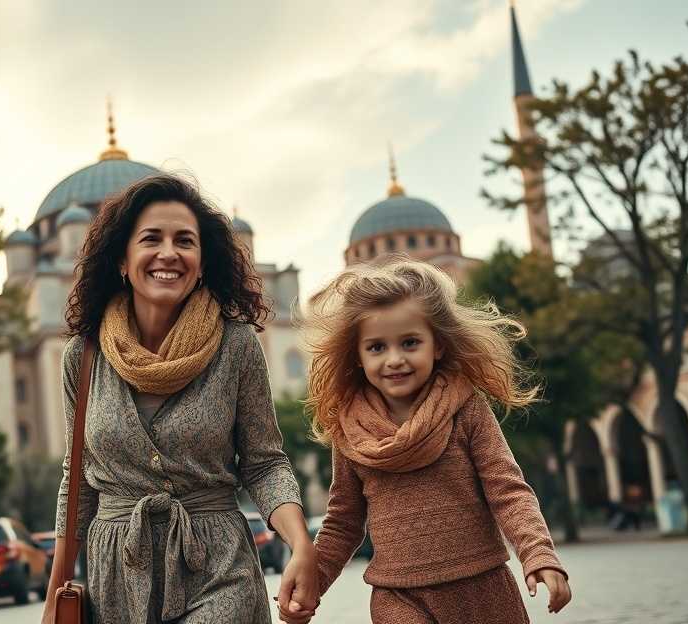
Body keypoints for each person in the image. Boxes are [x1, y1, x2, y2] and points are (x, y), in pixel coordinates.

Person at [40, 174, 318, 624]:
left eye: (184, 241)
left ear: (202, 263)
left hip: (217, 562)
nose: (169, 253)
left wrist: (301, 544)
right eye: (152, 238)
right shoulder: (83, 355)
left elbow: (264, 463)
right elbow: (78, 480)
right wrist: (55, 593)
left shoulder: (237, 345)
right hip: (118, 574)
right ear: (123, 262)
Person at [281, 258, 571, 624]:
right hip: (398, 596)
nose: (395, 359)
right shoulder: (350, 429)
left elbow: (507, 489)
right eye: (376, 348)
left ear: (438, 345)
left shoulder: (466, 407)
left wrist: (538, 553)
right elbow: (343, 522)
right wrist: (312, 584)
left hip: (482, 589)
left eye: (410, 342)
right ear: (357, 356)